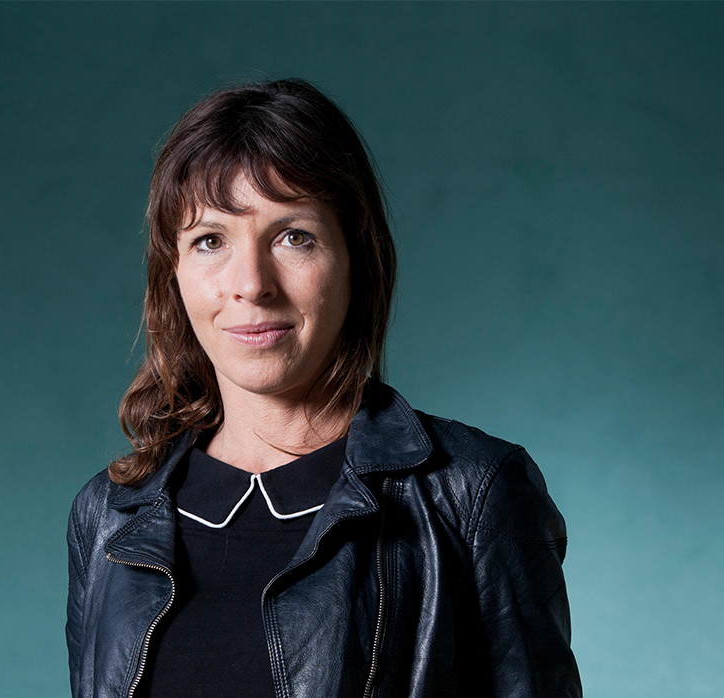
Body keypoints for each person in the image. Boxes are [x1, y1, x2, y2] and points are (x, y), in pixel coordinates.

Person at [66, 78, 582, 698]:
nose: (251, 284)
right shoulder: (107, 518)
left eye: (293, 236)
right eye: (210, 241)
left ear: (355, 259)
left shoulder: (474, 496)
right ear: (172, 275)